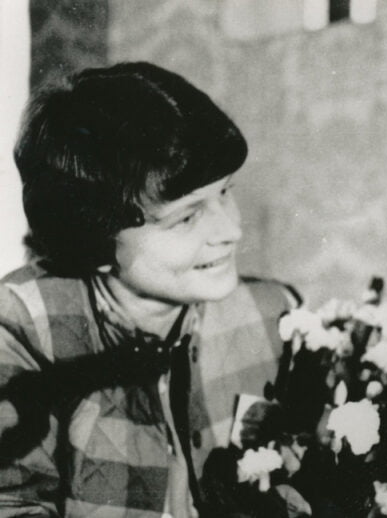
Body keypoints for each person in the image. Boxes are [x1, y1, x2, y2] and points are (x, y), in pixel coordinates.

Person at [0, 62, 300, 517]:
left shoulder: (275, 314)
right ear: (94, 240)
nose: (232, 230)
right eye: (187, 215)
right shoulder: (22, 327)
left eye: (225, 193)